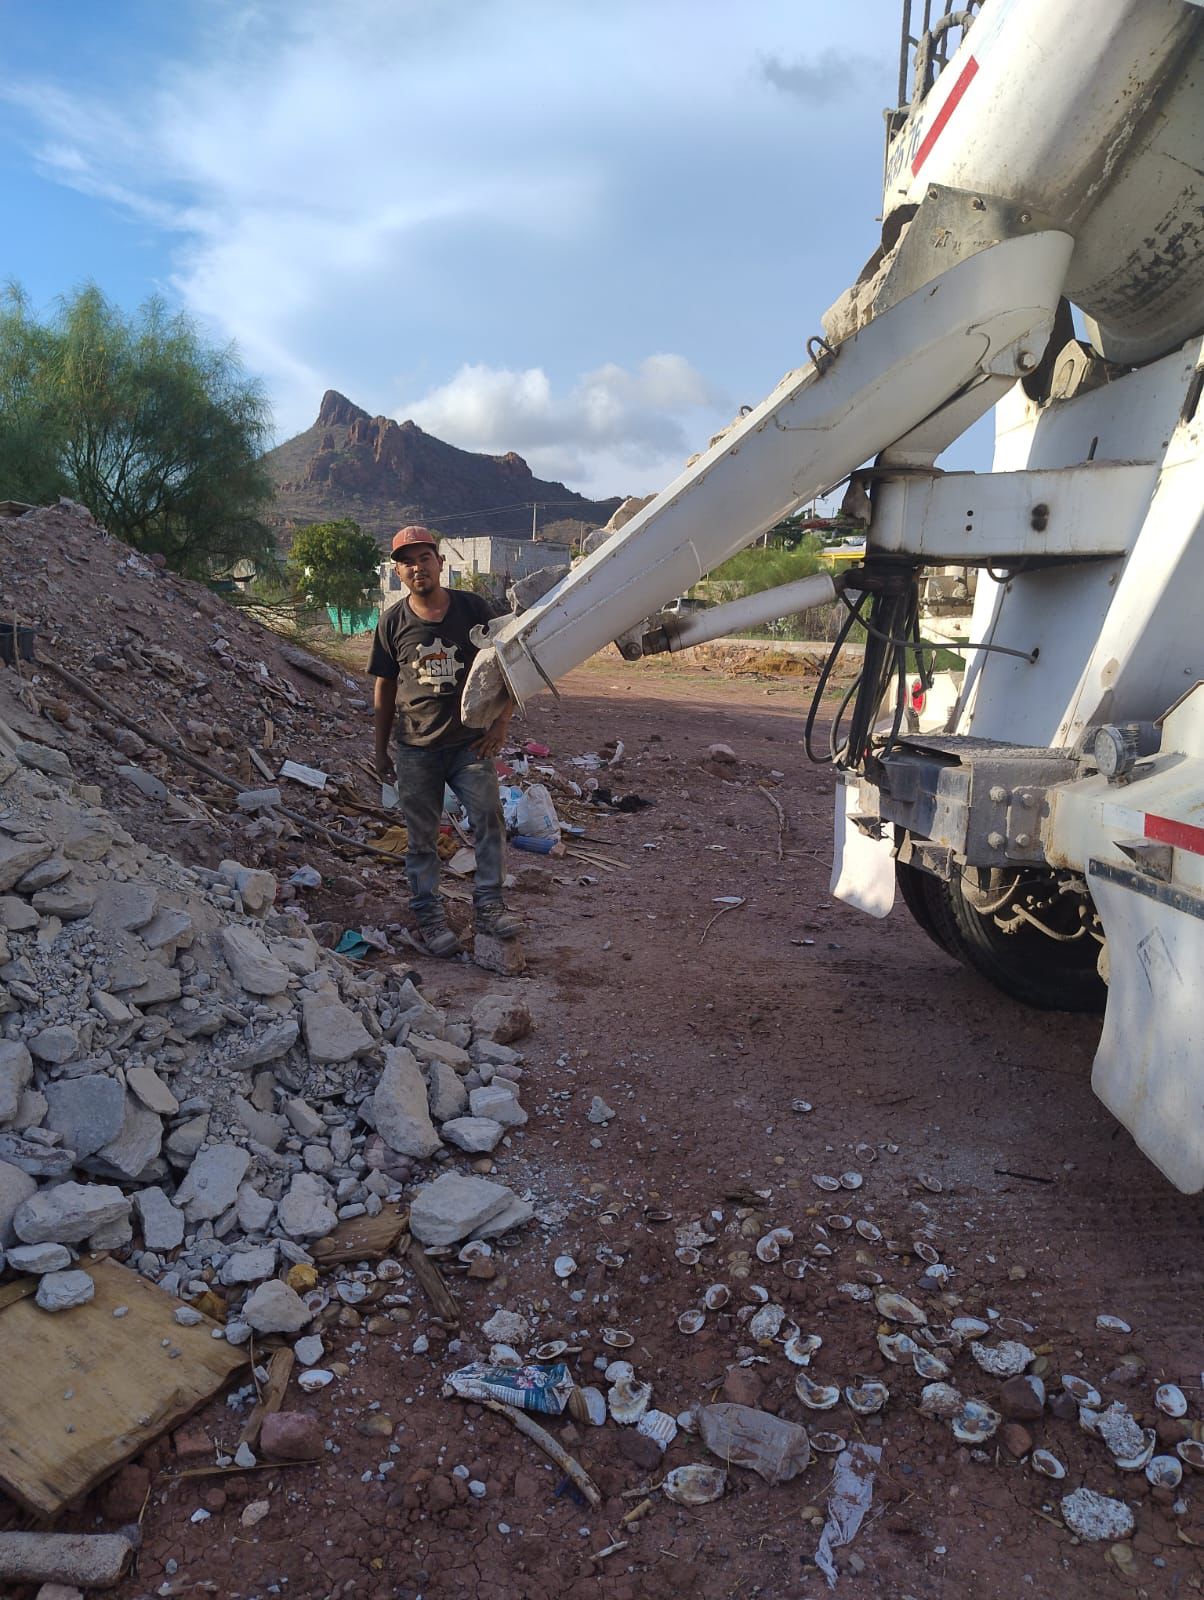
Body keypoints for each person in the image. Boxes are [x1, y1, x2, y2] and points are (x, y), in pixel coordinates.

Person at [369, 525, 520, 956]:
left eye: (424, 558)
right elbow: (384, 687)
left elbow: (511, 661)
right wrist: (380, 749)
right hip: (416, 748)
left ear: (440, 562)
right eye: (407, 561)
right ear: (398, 571)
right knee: (421, 840)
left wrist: (500, 725)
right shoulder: (392, 622)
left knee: (489, 821)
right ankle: (429, 916)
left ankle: (489, 906)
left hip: (470, 745)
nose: (418, 567)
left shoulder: (473, 608)